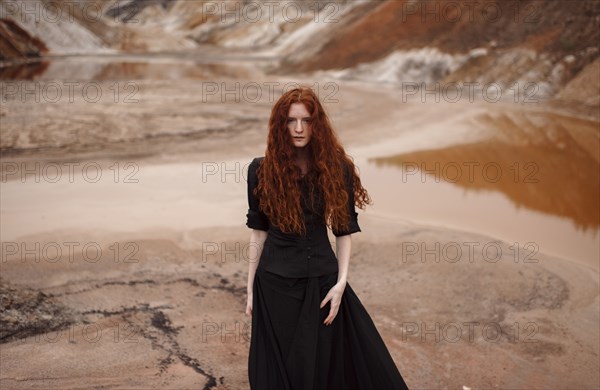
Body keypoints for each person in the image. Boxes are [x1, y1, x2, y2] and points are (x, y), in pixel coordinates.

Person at [245, 86, 409, 389]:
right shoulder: (260, 170)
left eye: (306, 121)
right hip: (274, 284)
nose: (298, 129)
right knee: (281, 368)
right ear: (279, 125)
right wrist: (250, 287)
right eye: (290, 121)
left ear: (316, 124)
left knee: (332, 365)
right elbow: (259, 231)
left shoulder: (336, 168)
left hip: (322, 282)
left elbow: (344, 230)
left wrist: (341, 283)